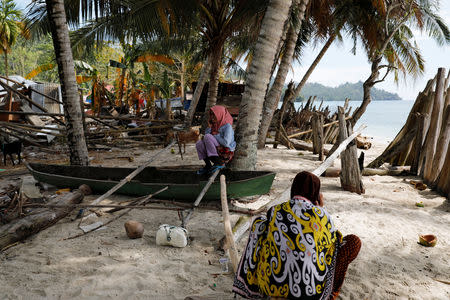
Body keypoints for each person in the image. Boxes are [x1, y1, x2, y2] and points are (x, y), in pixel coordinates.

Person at [233, 171, 361, 299]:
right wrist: (320, 208)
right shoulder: (322, 216)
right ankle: (331, 294)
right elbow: (332, 244)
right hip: (311, 292)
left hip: (274, 286)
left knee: (260, 227)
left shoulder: (275, 210)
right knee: (352, 242)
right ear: (316, 192)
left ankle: (256, 287)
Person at [196, 105, 236, 175]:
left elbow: (226, 143)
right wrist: (209, 127)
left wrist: (214, 135)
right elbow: (206, 138)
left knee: (208, 136)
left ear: (220, 115)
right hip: (216, 151)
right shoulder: (213, 125)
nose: (212, 117)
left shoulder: (227, 126)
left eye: (214, 115)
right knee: (199, 143)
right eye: (211, 115)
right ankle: (208, 165)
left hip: (225, 152)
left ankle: (219, 162)